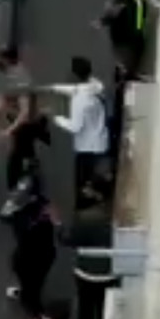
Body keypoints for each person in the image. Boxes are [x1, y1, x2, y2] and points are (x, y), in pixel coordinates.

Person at [58, 191, 120, 319]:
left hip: (86, 274)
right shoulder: (113, 217)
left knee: (86, 312)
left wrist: (59, 228)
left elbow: (69, 240)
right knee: (103, 311)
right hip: (109, 273)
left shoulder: (82, 219)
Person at [46, 57, 110, 209]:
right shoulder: (95, 85)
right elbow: (75, 89)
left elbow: (75, 127)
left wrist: (56, 118)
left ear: (75, 75)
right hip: (100, 141)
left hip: (87, 148)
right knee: (91, 181)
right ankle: (96, 193)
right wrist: (54, 88)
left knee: (82, 188)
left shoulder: (80, 100)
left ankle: (91, 204)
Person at [0, 47, 49, 191]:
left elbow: (25, 113)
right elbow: (2, 98)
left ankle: (13, 189)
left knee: (15, 158)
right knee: (24, 151)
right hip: (19, 120)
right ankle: (32, 166)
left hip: (27, 124)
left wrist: (7, 131)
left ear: (6, 60)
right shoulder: (8, 74)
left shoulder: (20, 80)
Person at [0, 161, 56, 316]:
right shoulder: (39, 205)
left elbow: (5, 217)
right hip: (37, 252)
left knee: (32, 286)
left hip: (36, 255)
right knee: (22, 269)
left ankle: (37, 313)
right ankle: (28, 295)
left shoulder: (30, 217)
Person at [96, 0, 146, 81]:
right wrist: (103, 20)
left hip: (129, 44)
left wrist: (134, 38)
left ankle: (127, 74)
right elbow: (110, 15)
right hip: (119, 44)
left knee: (125, 75)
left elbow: (138, 23)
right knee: (119, 75)